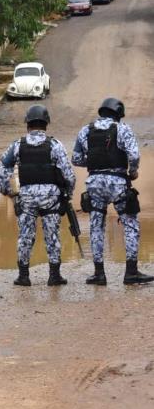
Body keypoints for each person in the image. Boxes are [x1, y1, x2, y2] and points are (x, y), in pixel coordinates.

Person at [72, 98, 153, 285]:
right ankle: (131, 272)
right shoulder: (123, 129)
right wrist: (132, 172)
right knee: (130, 223)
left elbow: (76, 159)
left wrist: (93, 163)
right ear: (117, 114)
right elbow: (134, 155)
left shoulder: (86, 130)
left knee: (96, 226)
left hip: (94, 183)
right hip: (118, 181)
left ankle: (99, 273)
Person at [0, 104, 76, 286]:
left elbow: (0, 172)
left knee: (25, 236)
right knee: (52, 235)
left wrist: (10, 193)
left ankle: (23, 276)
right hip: (51, 199)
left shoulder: (17, 145)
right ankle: (54, 276)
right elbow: (69, 175)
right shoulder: (55, 145)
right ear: (46, 124)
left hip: (27, 199)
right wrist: (66, 196)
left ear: (28, 124)